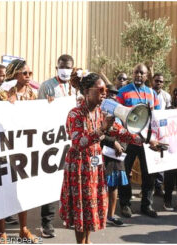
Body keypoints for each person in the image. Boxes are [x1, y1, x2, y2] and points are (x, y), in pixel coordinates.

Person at [59, 71, 158, 244]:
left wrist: (148, 140)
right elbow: (78, 142)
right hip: (79, 167)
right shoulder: (74, 114)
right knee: (82, 208)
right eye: (101, 89)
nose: (105, 93)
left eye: (105, 89)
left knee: (92, 205)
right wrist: (101, 130)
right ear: (87, 92)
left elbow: (120, 132)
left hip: (95, 166)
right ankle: (80, 242)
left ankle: (87, 240)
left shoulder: (101, 112)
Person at [0, 58, 38, 243]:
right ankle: (1, 233)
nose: (28, 76)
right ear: (15, 75)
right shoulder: (3, 92)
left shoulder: (32, 93)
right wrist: (6, 104)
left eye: (30, 73)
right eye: (25, 73)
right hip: (3, 147)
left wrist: (49, 104)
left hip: (24, 147)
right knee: (2, 190)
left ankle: (23, 229)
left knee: (23, 190)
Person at [37, 54, 76, 238]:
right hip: (53, 140)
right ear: (56, 67)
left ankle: (69, 217)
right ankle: (47, 223)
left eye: (68, 67)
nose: (65, 70)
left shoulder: (77, 87)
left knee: (71, 181)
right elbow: (39, 111)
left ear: (73, 68)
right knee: (52, 182)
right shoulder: (47, 86)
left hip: (73, 140)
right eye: (62, 66)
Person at [116, 63, 160, 218]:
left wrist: (155, 137)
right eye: (136, 73)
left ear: (147, 75)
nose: (139, 75)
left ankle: (146, 205)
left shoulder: (152, 93)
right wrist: (125, 134)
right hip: (129, 140)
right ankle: (125, 204)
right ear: (132, 74)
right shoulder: (123, 92)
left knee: (149, 174)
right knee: (125, 172)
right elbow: (116, 115)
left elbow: (158, 117)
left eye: (142, 73)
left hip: (147, 142)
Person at [101, 84, 128, 226]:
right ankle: (99, 215)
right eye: (109, 93)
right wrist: (113, 143)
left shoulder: (120, 112)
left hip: (116, 155)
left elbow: (123, 131)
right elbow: (98, 134)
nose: (112, 95)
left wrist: (121, 146)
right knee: (100, 186)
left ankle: (110, 216)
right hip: (102, 153)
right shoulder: (98, 112)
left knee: (114, 186)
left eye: (114, 93)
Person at [151, 73, 171, 197]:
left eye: (161, 81)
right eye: (156, 80)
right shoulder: (147, 93)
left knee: (161, 158)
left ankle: (158, 186)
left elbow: (169, 112)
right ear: (152, 81)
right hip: (149, 130)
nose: (158, 83)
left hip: (162, 130)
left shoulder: (166, 96)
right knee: (149, 158)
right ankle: (148, 187)